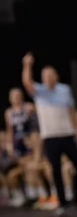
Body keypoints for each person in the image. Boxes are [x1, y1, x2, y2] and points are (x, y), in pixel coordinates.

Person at [22, 51, 77, 214]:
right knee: (55, 170)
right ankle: (62, 202)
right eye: (45, 75)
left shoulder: (64, 89)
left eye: (51, 74)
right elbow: (27, 82)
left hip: (67, 134)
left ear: (56, 76)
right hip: (50, 137)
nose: (48, 77)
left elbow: (72, 111)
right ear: (43, 78)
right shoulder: (39, 91)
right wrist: (27, 65)